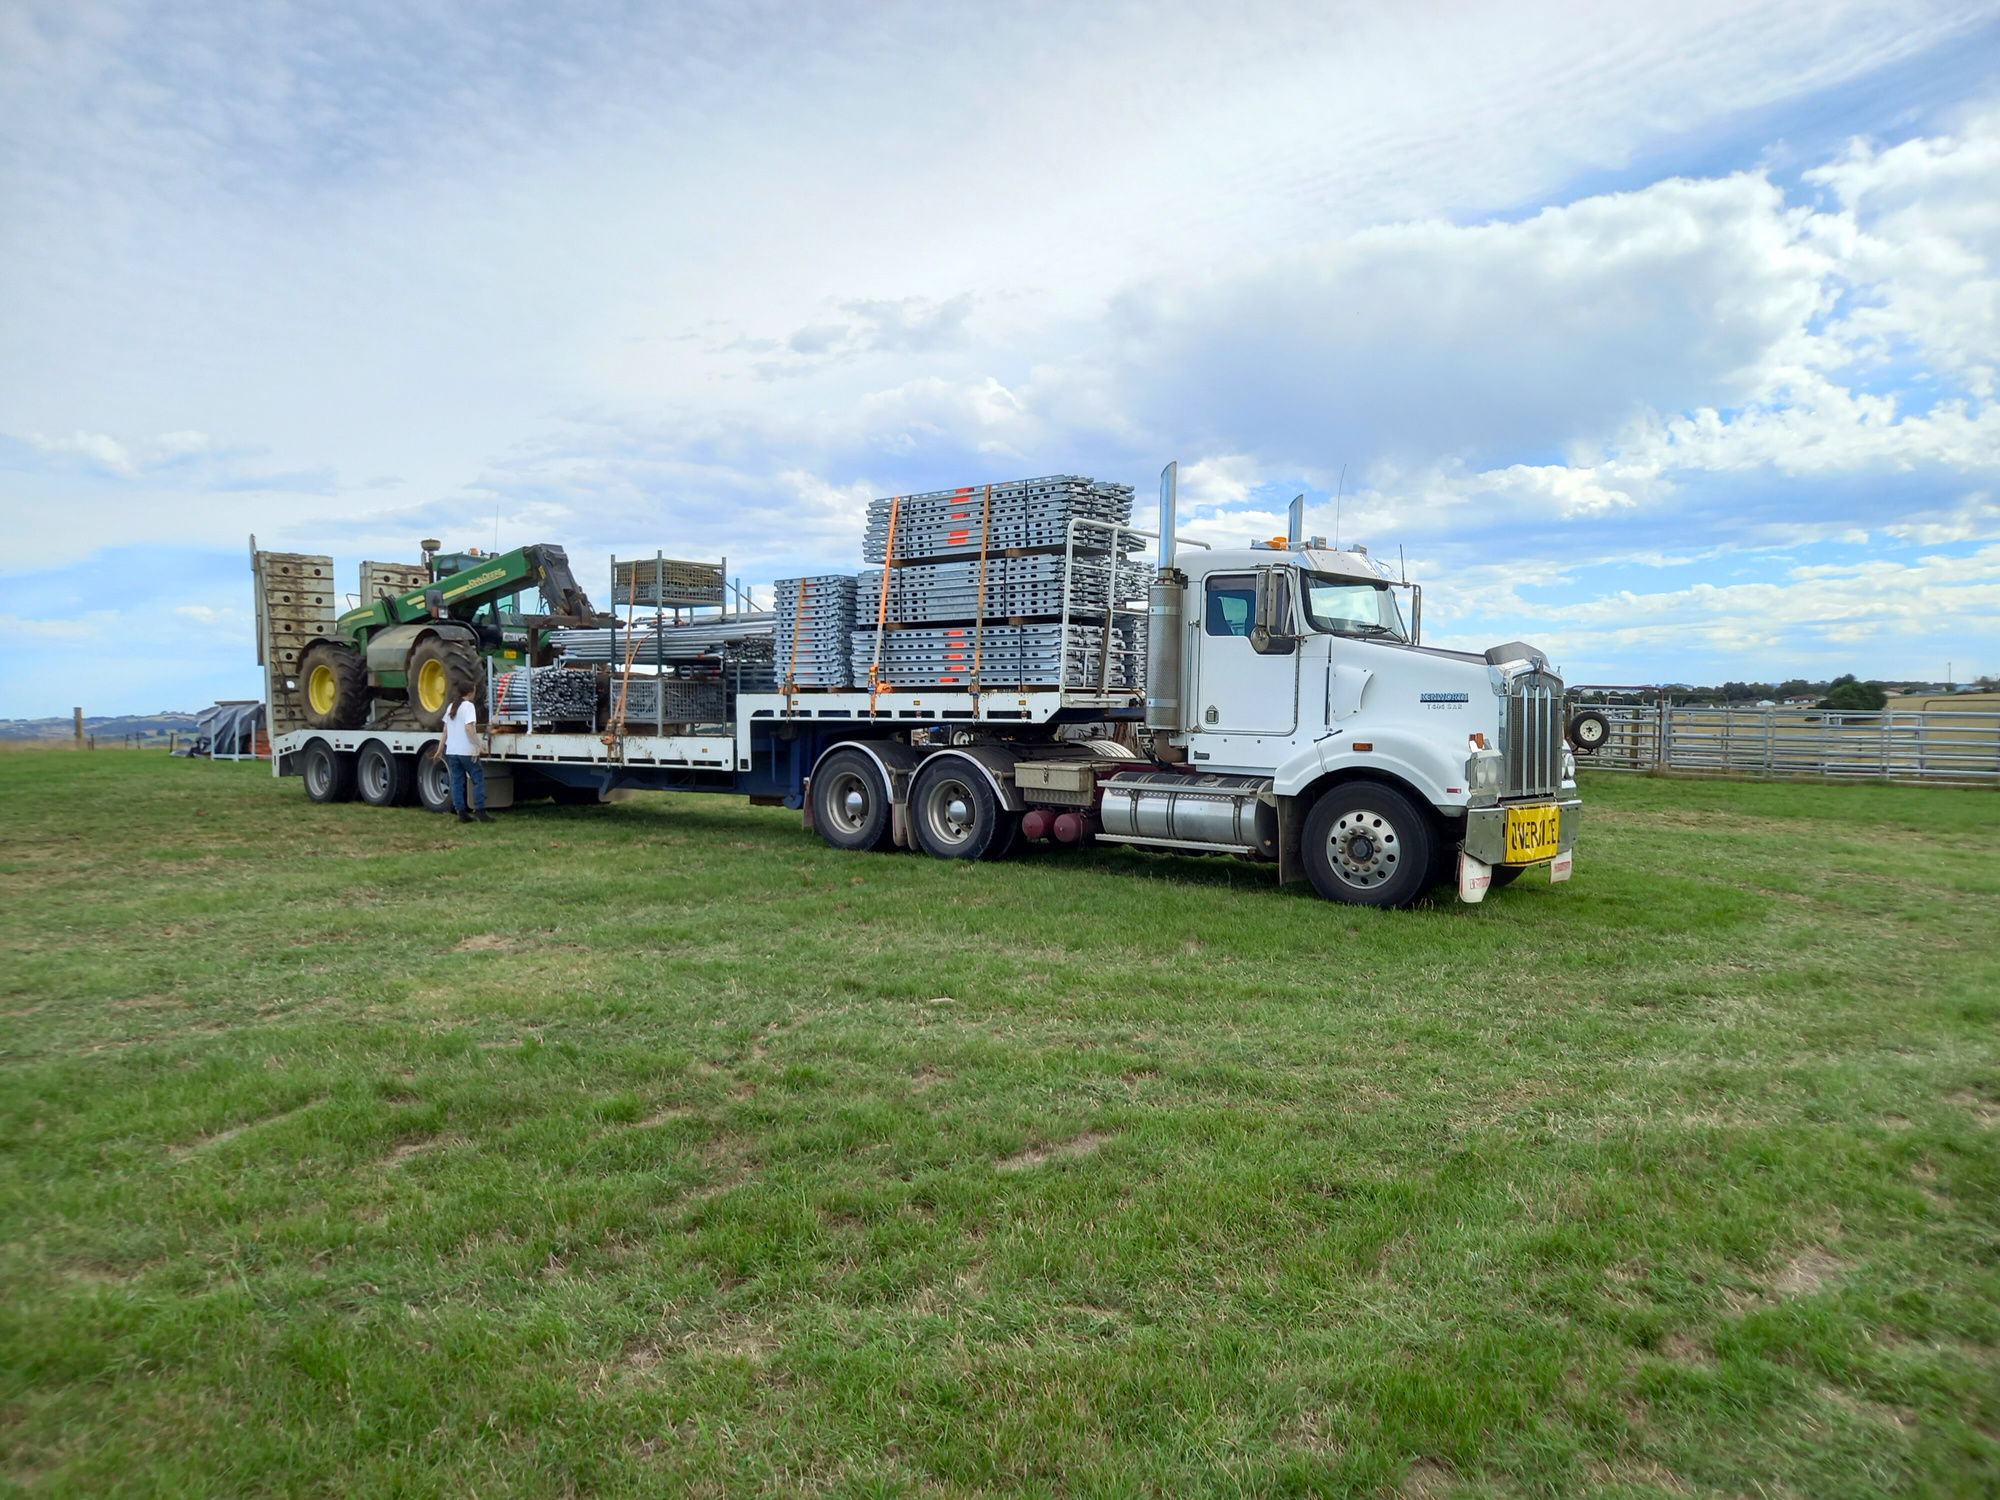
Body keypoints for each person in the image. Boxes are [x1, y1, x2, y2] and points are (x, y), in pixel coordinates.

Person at [439, 686, 494, 823]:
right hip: (466, 750)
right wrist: (479, 746)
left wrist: (440, 749)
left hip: (452, 750)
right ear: (470, 692)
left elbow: (445, 730)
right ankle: (481, 811)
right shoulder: (469, 707)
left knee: (458, 782)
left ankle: (461, 813)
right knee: (477, 779)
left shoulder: (452, 706)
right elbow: (469, 728)